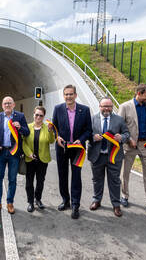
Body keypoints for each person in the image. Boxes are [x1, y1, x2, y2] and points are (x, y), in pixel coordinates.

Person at [118, 84, 146, 217]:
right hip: (129, 146)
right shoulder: (125, 106)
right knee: (125, 173)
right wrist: (129, 138)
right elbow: (120, 125)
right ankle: (124, 196)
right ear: (139, 93)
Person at [52, 84, 92, 219]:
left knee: (76, 176)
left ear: (75, 95)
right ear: (64, 96)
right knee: (62, 175)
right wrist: (56, 137)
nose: (68, 96)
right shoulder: (58, 109)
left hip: (77, 149)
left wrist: (81, 140)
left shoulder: (85, 110)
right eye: (66, 94)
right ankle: (65, 200)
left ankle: (75, 204)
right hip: (62, 148)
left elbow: (88, 130)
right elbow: (53, 128)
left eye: (71, 94)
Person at [87, 98, 129, 217]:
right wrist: (93, 137)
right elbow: (86, 133)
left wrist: (121, 137)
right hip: (97, 155)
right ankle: (97, 200)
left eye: (109, 106)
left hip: (114, 156)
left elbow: (127, 133)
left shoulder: (119, 119)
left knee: (115, 181)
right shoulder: (92, 119)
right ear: (99, 106)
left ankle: (116, 205)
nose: (107, 109)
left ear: (112, 107)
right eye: (104, 106)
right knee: (97, 179)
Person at [0, 96, 29, 215]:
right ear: (2, 105)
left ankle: (10, 203)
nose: (7, 105)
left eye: (9, 103)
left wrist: (20, 127)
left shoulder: (20, 117)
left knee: (12, 179)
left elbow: (27, 132)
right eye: (5, 103)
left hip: (14, 153)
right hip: (1, 152)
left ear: (13, 105)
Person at [22, 106, 55, 212]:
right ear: (33, 114)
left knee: (40, 181)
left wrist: (50, 131)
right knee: (29, 182)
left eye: (41, 115)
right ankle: (30, 202)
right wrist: (29, 153)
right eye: (37, 115)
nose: (38, 117)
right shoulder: (28, 127)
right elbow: (23, 142)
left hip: (42, 160)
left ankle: (38, 199)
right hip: (30, 159)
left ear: (43, 116)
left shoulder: (47, 128)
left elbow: (51, 141)